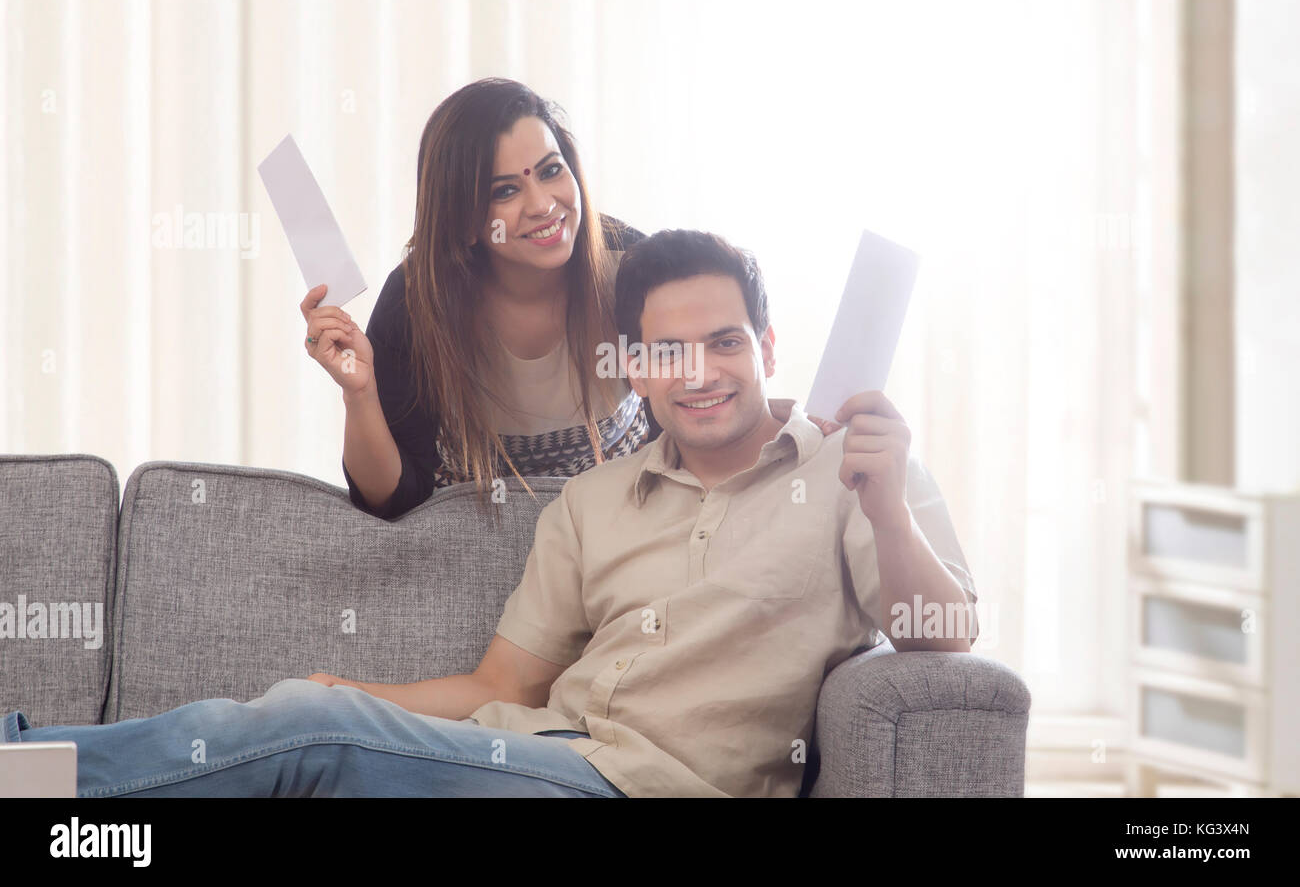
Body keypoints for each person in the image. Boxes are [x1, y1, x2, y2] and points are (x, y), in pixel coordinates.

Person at [2, 229, 977, 798]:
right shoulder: (596, 501)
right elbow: (499, 679)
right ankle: (30, 770)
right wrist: (350, 685)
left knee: (313, 734)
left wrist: (887, 506)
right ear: (630, 365)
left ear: (764, 339)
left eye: (724, 341)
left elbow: (947, 632)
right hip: (543, 751)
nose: (701, 373)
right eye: (665, 351)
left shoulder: (855, 461)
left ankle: (22, 769)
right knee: (310, 719)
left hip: (642, 787)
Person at [308, 78, 658, 520]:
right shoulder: (415, 303)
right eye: (505, 191)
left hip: (619, 534)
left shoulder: (632, 268)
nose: (543, 205)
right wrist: (359, 394)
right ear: (464, 221)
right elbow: (392, 501)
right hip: (476, 556)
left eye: (551, 170)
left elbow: (682, 437)